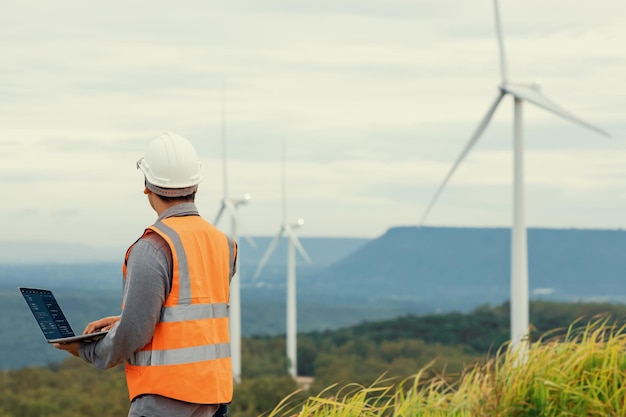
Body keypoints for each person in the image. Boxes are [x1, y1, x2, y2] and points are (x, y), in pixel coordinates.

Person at [55, 132, 237, 417]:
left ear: (146, 187)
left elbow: (134, 334)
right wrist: (124, 318)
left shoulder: (153, 247)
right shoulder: (224, 244)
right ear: (196, 185)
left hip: (164, 400)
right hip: (213, 401)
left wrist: (87, 350)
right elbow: (192, 310)